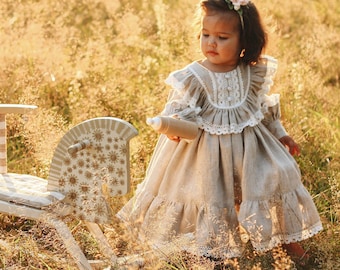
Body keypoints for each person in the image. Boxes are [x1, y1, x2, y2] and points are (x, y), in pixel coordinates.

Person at [117, 0, 322, 263]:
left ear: (244, 40)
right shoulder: (194, 76)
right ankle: (205, 246)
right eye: (206, 35)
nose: (211, 43)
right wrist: (173, 124)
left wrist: (281, 134)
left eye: (222, 37)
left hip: (250, 151)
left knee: (279, 173)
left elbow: (263, 108)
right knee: (207, 195)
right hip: (206, 155)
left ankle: (286, 238)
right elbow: (177, 109)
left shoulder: (251, 73)